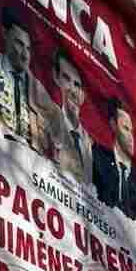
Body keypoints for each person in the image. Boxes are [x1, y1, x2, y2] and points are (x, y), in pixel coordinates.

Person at [0, 7, 50, 151]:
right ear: (5, 34)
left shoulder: (34, 88)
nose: (25, 55)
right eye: (19, 44)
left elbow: (44, 143)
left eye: (28, 48)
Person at [92, 99, 136, 226]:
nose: (131, 137)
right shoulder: (98, 157)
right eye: (126, 128)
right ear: (113, 125)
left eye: (132, 132)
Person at [45, 47, 94, 186]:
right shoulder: (47, 124)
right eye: (66, 79)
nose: (72, 90)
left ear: (83, 94)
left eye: (77, 85)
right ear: (56, 77)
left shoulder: (90, 145)